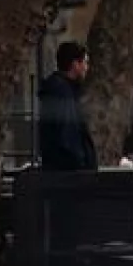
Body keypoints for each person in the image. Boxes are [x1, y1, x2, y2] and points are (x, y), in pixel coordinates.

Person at [37, 40, 98, 171]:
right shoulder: (62, 92)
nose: (87, 68)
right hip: (68, 173)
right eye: (85, 62)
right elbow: (67, 135)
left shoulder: (64, 90)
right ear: (75, 64)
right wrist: (80, 162)